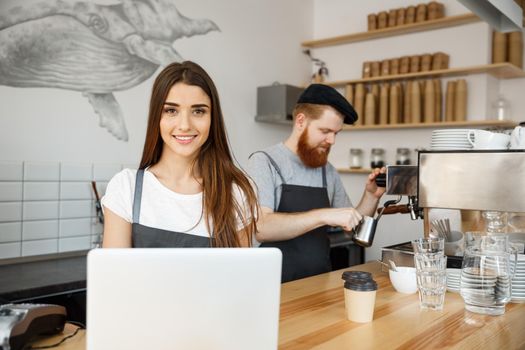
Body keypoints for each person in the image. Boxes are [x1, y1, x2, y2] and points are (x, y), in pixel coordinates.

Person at [102, 61, 258, 248]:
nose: (185, 125)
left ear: (212, 119)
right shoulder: (126, 188)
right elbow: (115, 275)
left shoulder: (236, 192)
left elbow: (241, 274)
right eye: (171, 110)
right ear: (156, 117)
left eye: (198, 111)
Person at [247, 84, 386, 282]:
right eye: (325, 131)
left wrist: (371, 196)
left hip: (318, 285)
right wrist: (323, 215)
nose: (332, 140)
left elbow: (353, 231)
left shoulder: (327, 171)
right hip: (273, 287)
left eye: (336, 133)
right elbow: (261, 227)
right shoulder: (263, 162)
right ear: (301, 121)